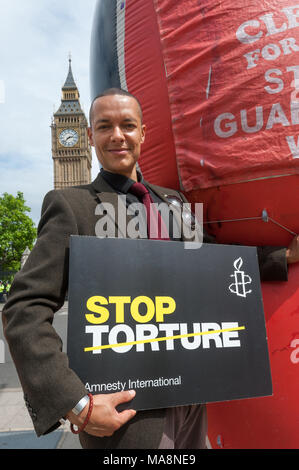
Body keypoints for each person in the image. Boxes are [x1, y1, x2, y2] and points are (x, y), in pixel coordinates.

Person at [2, 88, 299, 449]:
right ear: (90, 136)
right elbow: (23, 308)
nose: (117, 135)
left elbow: (216, 262)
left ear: (143, 133)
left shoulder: (172, 201)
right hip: (128, 419)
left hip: (191, 401)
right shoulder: (72, 205)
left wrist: (281, 257)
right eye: (104, 126)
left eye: (128, 125)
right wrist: (77, 404)